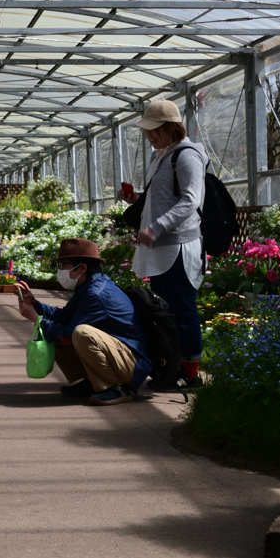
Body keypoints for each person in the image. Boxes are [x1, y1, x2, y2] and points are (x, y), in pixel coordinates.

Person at [119, 100, 208, 387]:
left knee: (182, 310)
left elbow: (191, 200)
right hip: (161, 247)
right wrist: (135, 200)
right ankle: (171, 369)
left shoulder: (187, 156)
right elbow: (164, 196)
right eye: (147, 130)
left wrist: (156, 228)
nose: (150, 136)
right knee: (164, 312)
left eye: (155, 130)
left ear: (172, 127)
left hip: (179, 246)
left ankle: (190, 375)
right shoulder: (162, 155)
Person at [16, 238, 152, 405]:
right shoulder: (88, 286)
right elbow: (64, 316)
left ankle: (117, 388)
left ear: (81, 268)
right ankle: (94, 382)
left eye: (63, 265)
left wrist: (35, 318)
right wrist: (35, 304)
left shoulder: (95, 294)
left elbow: (68, 335)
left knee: (80, 333)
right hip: (121, 356)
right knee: (59, 329)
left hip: (132, 365)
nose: (59, 270)